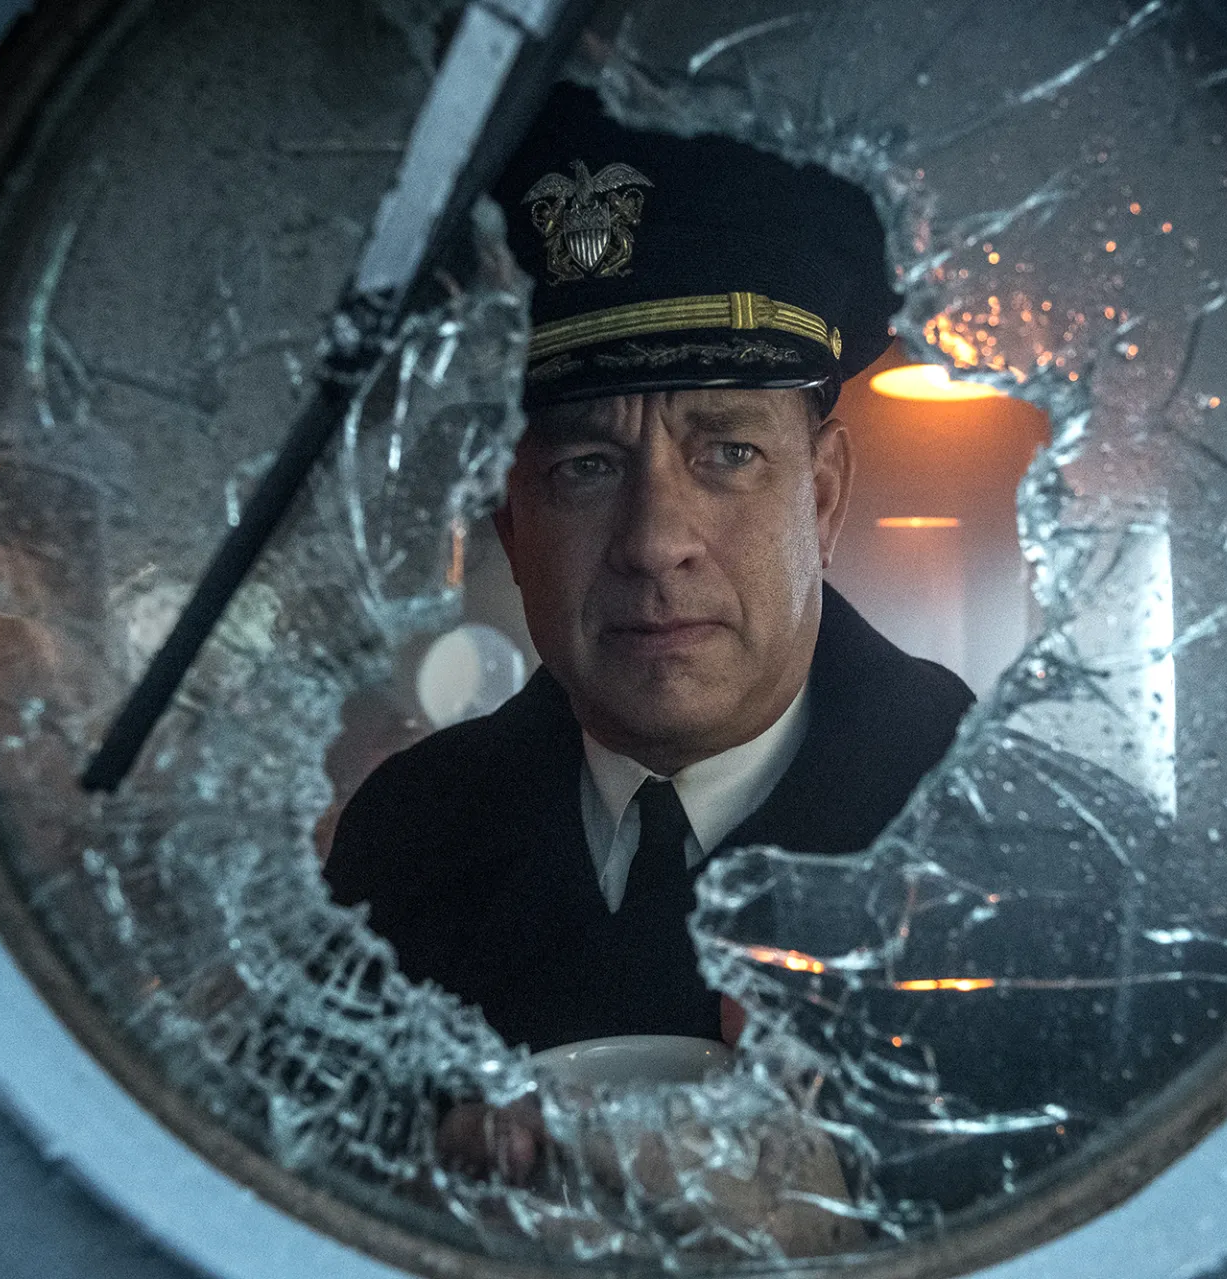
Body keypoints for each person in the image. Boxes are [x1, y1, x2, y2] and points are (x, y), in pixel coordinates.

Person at [324, 84, 974, 1057]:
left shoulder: (1012, 837)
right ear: (511, 525)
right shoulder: (401, 841)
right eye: (585, 468)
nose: (653, 540)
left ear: (822, 496)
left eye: (728, 454)